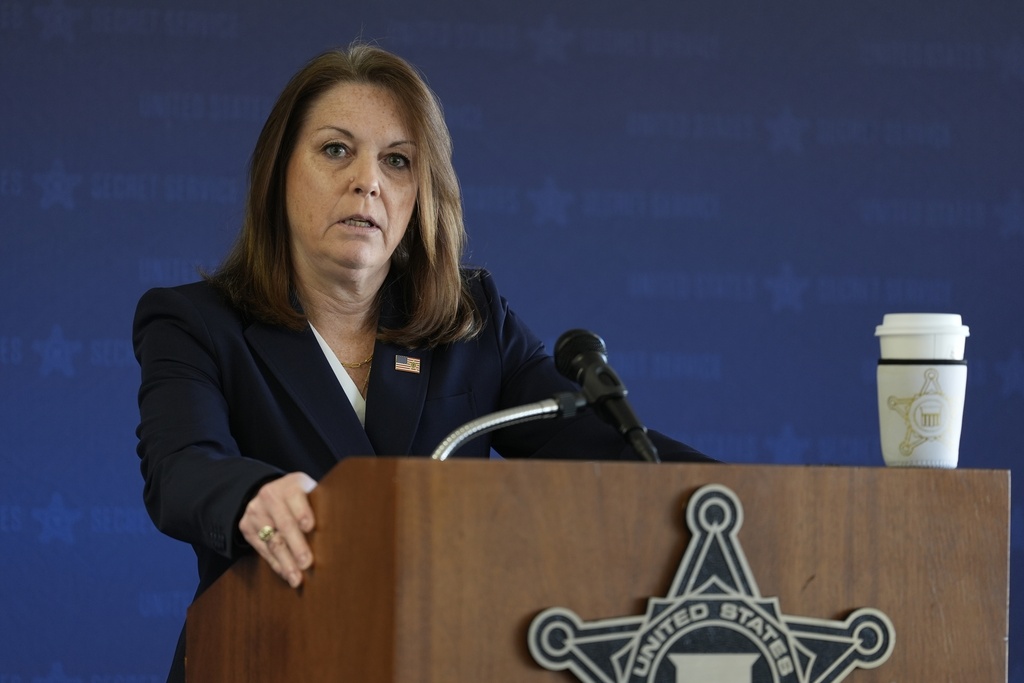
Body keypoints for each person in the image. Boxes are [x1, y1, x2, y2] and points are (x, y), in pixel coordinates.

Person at [132, 42, 711, 682]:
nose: (368, 181)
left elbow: (607, 451)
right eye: (335, 150)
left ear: (419, 194)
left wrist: (741, 496)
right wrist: (252, 496)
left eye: (398, 161)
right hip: (265, 655)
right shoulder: (198, 323)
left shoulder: (471, 323)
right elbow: (181, 467)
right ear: (279, 172)